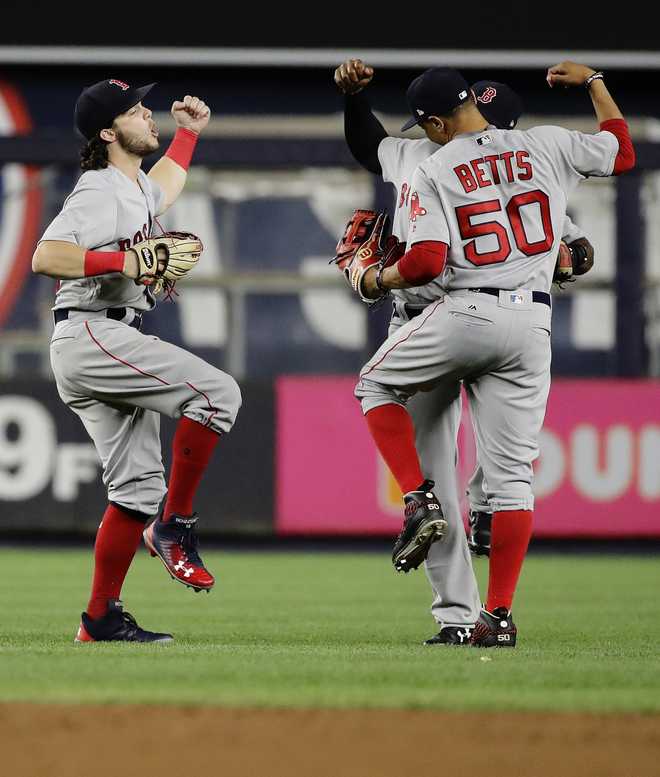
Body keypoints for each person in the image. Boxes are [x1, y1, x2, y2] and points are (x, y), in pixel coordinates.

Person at [348, 61, 634, 646]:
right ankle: (491, 617)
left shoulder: (435, 161)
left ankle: (420, 504)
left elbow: (427, 262)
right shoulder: (543, 149)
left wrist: (374, 279)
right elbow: (620, 155)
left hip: (453, 312)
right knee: (513, 481)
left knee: (382, 400)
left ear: (433, 122)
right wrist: (594, 81)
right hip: (530, 322)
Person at [32, 79, 242, 643]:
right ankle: (174, 527)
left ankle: (99, 619)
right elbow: (45, 256)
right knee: (218, 394)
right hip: (92, 334)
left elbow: (165, 188)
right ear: (108, 132)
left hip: (96, 339)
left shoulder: (133, 186)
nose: (149, 116)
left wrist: (188, 135)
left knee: (134, 493)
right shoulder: (98, 190)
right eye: (136, 111)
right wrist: (123, 261)